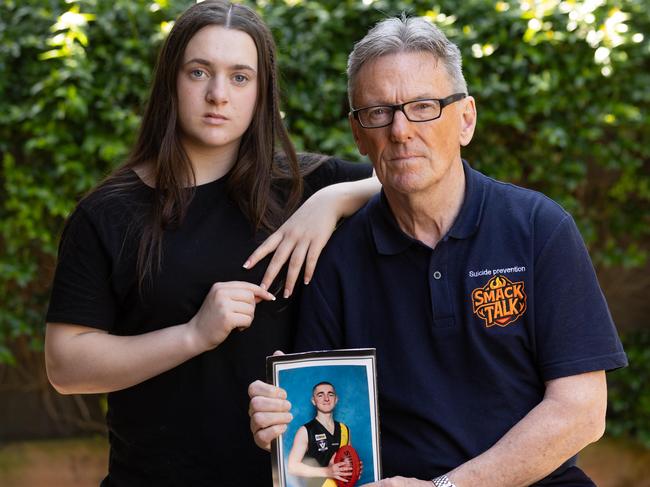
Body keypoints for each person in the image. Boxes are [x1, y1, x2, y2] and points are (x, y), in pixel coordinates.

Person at [248, 15, 628, 487]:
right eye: (378, 112)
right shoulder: (337, 260)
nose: (400, 130)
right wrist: (280, 423)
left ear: (465, 118)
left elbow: (582, 412)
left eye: (423, 106)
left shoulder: (538, 229)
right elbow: (321, 419)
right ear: (358, 134)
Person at [44, 2, 378, 485]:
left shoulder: (308, 186)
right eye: (199, 72)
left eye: (240, 77)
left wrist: (334, 200)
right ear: (171, 82)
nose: (218, 94)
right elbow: (65, 364)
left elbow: (430, 181)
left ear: (262, 92)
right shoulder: (109, 213)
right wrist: (193, 334)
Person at [287, 382, 353, 485]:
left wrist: (354, 467)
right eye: (320, 395)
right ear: (314, 401)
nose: (326, 398)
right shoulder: (305, 431)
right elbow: (292, 467)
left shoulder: (345, 429)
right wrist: (327, 471)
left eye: (330, 394)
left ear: (336, 399)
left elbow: (345, 461)